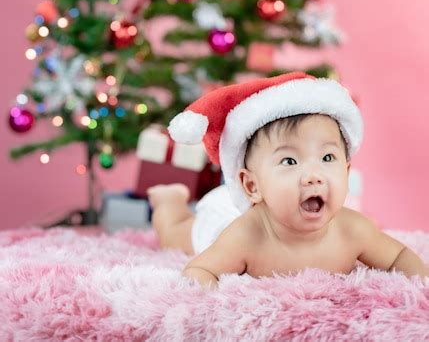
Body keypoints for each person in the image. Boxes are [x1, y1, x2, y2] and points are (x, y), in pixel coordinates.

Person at [147, 71, 428, 287]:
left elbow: (398, 257)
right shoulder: (245, 236)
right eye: (290, 161)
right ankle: (169, 201)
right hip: (223, 215)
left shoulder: (353, 230)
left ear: (346, 169)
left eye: (328, 158)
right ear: (251, 185)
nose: (313, 176)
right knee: (176, 235)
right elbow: (200, 270)